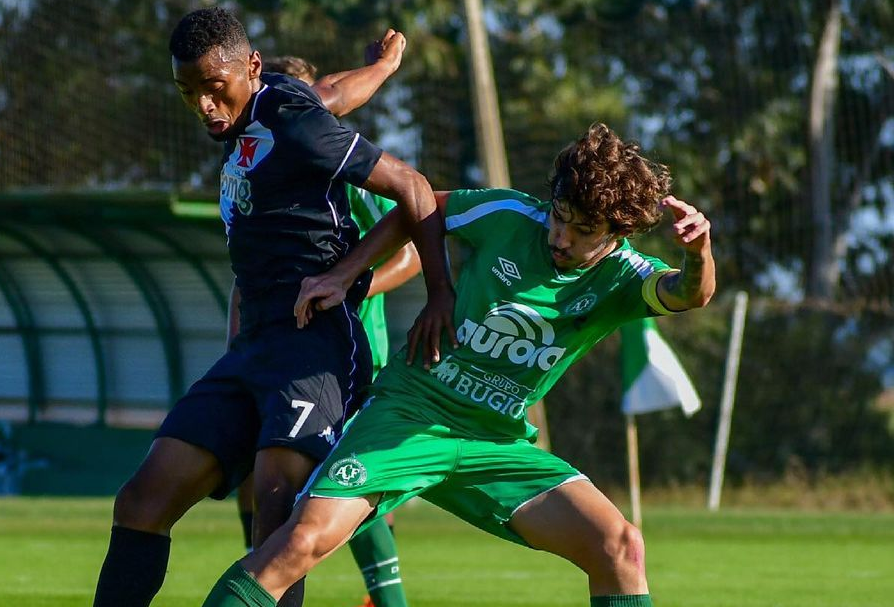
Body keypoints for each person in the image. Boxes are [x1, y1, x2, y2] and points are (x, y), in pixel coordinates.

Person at [196, 122, 716, 607]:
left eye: (582, 230)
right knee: (300, 542)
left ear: (617, 232)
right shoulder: (510, 215)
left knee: (620, 547)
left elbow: (689, 294)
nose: (560, 236)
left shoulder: (624, 276)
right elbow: (417, 207)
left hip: (496, 442)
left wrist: (697, 254)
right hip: (409, 413)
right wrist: (349, 274)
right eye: (559, 216)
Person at [91, 7, 453, 607]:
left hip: (314, 345)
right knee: (140, 502)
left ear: (250, 67)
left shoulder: (291, 123)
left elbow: (414, 188)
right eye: (188, 91)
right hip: (254, 347)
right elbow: (333, 91)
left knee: (275, 518)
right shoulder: (272, 103)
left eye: (214, 86)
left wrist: (436, 292)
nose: (204, 104)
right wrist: (383, 67)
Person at [231, 50, 421, 607]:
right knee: (272, 481)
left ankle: (387, 601)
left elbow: (407, 251)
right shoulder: (256, 159)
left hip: (348, 347)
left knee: (344, 478)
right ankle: (260, 575)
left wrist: (347, 284)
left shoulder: (343, 171)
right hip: (278, 350)